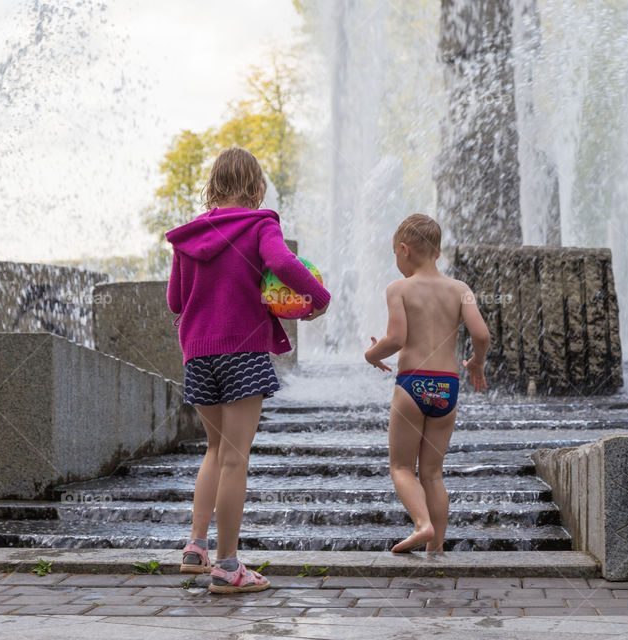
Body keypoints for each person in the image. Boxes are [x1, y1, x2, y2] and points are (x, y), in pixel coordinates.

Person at [165, 147, 330, 593]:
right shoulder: (260, 225)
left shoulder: (189, 237)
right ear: (257, 186)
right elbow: (281, 264)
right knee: (237, 458)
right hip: (242, 351)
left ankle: (195, 549)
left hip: (198, 354)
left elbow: (176, 303)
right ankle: (227, 567)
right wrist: (320, 298)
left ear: (212, 186)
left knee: (215, 452)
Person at [364, 214, 490, 553]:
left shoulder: (398, 288)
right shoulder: (460, 289)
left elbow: (397, 338)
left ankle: (421, 524)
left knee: (401, 466)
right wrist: (476, 361)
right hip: (447, 386)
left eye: (395, 253)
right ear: (437, 251)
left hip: (412, 385)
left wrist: (372, 353)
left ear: (404, 250)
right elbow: (481, 334)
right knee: (433, 474)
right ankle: (435, 551)